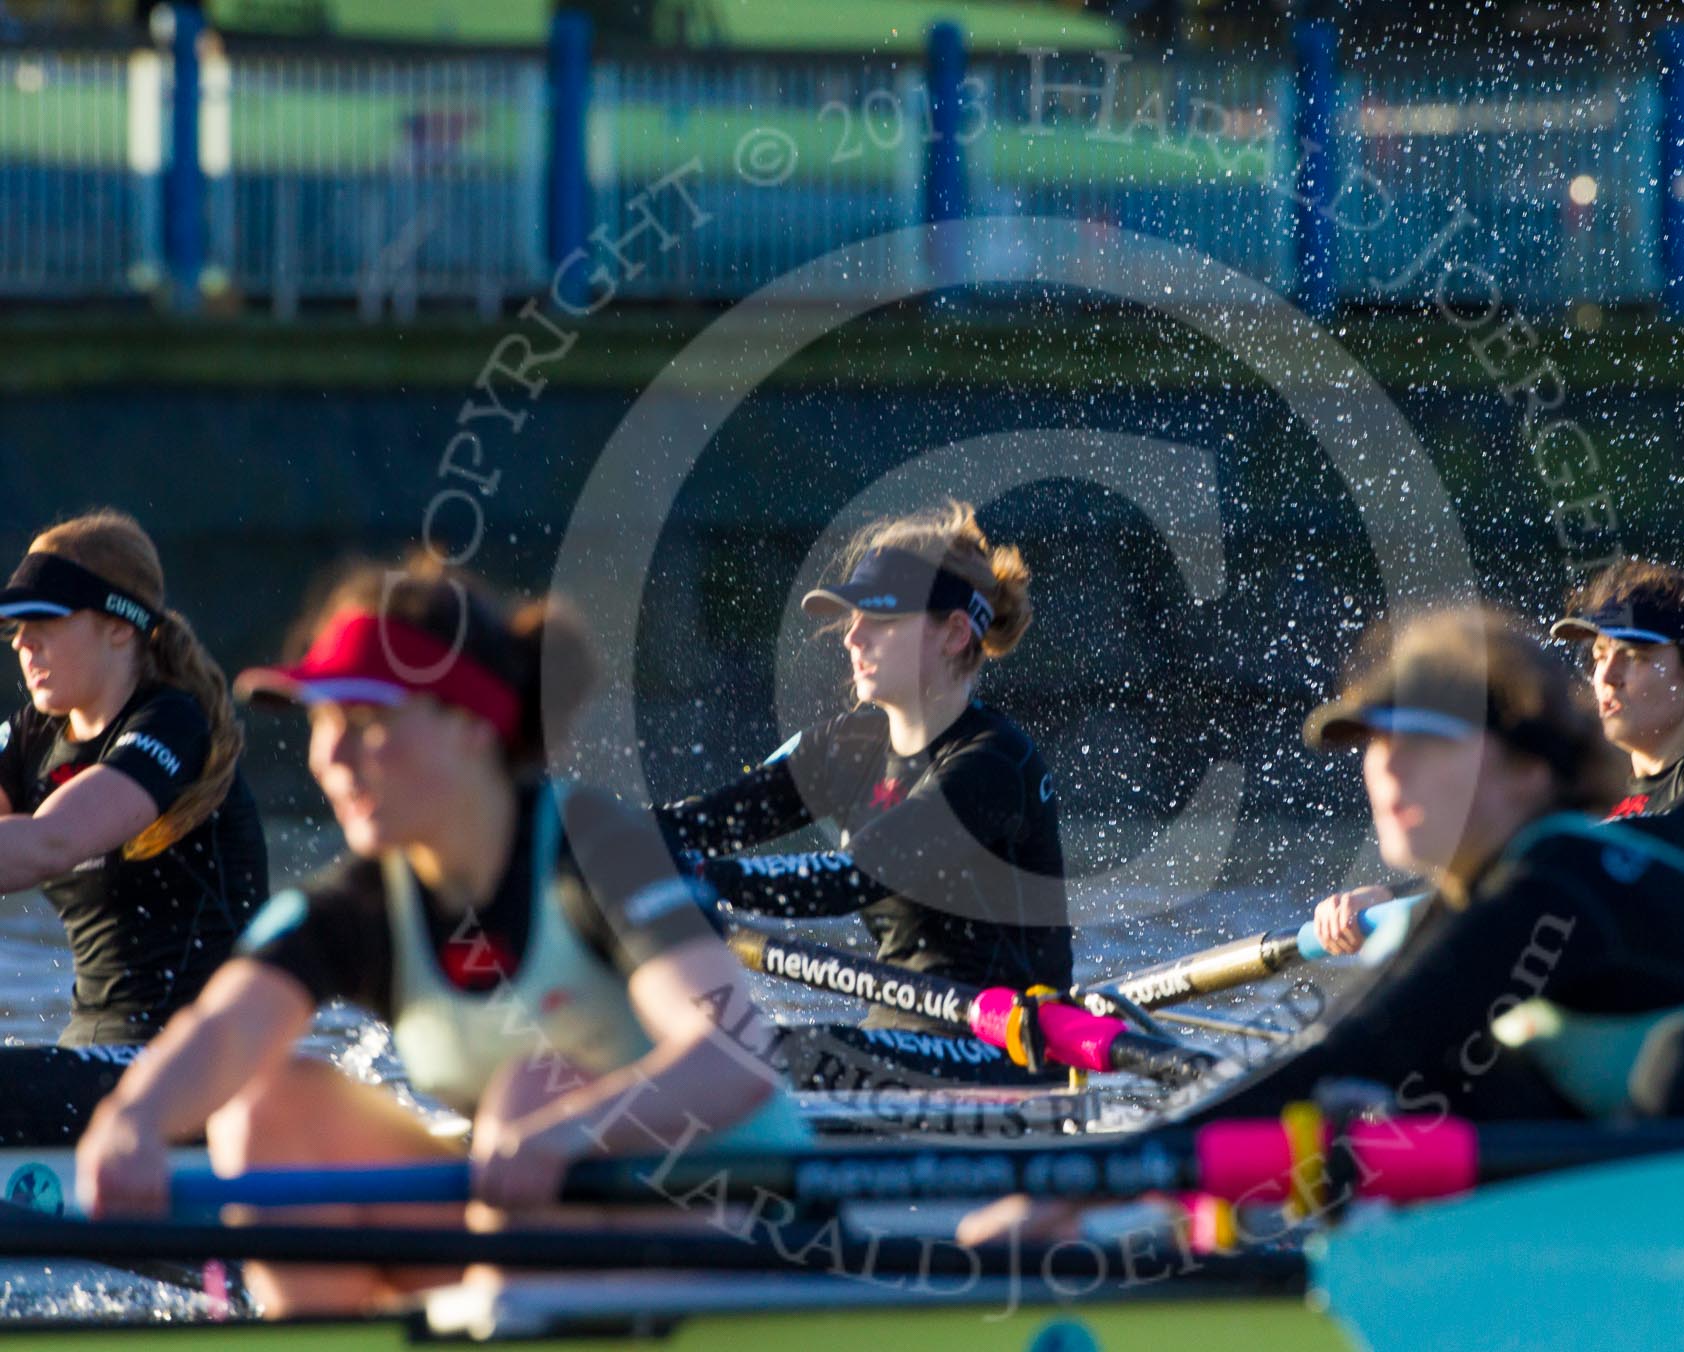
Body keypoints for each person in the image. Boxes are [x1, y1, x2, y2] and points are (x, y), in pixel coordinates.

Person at [76, 556, 806, 1316]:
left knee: (531, 1088)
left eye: (367, 721)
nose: (331, 756)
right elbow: (227, 1029)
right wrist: (133, 1119)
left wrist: (565, 1133)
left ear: (468, 724)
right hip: (542, 1241)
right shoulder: (364, 901)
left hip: (748, 1239)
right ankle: (327, 1328)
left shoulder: (597, 849)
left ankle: (498, 1308)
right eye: (323, 723)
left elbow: (733, 1055)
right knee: (264, 1107)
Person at [1223, 606, 1684, 1125]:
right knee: (1433, 1080)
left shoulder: (1558, 883)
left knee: (1678, 1061)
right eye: (1379, 741)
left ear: (1528, 772)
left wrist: (1144, 1157)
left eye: (1429, 742)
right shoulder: (1498, 888)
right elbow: (1351, 1043)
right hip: (1676, 1183)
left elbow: (1363, 1046)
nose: (1389, 765)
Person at [657, 502, 1071, 1089]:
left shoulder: (993, 763)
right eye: (854, 617)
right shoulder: (843, 747)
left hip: (1007, 1053)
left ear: (955, 633)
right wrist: (591, 840)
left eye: (884, 619)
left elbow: (850, 877)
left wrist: (705, 879)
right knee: (686, 1046)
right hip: (895, 1040)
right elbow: (703, 822)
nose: (853, 637)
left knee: (771, 1054)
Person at [1315, 560, 1684, 953]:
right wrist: (1385, 903)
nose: (1606, 677)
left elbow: (1652, 844)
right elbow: (1503, 858)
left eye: (1633, 657)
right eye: (1598, 655)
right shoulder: (1597, 801)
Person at [0, 510, 268, 1143]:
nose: (20, 643)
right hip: (96, 1053)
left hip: (193, 1067)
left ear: (119, 628)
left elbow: (49, 843)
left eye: (44, 622)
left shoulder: (171, 724)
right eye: (17, 626)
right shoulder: (33, 735)